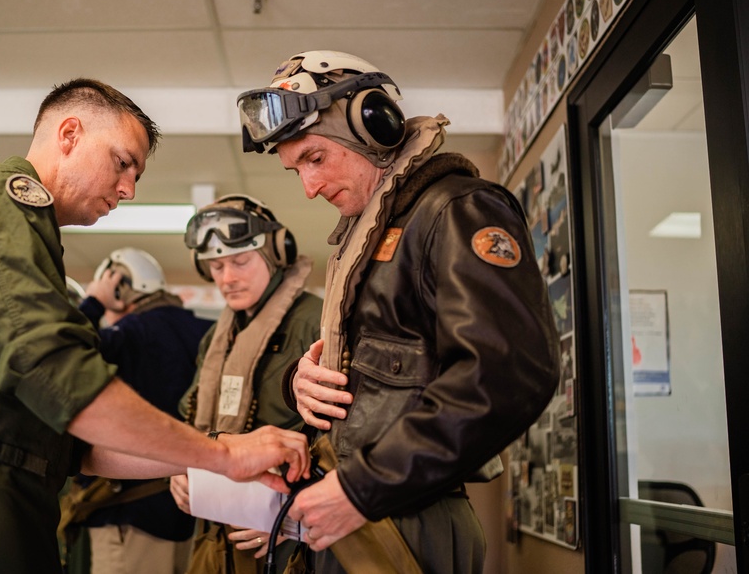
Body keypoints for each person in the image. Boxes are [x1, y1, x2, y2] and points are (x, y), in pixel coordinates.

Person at [0, 79, 309, 574]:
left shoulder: (26, 234)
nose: (129, 188)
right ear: (69, 134)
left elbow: (76, 447)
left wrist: (211, 455)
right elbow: (52, 369)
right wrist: (221, 454)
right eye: (123, 162)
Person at [239, 51, 560, 573]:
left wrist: (361, 489)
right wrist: (299, 384)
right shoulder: (368, 236)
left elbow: (506, 373)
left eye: (315, 158)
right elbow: (385, 379)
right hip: (353, 503)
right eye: (295, 168)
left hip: (403, 513)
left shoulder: (457, 210)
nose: (309, 187)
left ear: (373, 126)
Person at [170, 194, 323, 574]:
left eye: (240, 261)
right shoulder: (217, 339)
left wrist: (295, 516)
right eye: (216, 266)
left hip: (287, 539)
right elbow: (192, 423)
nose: (227, 278)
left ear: (275, 255)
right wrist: (179, 469)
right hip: (215, 532)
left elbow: (344, 438)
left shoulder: (315, 324)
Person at [63, 248, 213, 574]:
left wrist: (94, 303)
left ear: (119, 288)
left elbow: (63, 352)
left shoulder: (126, 336)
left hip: (127, 516)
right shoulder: (206, 332)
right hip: (187, 511)